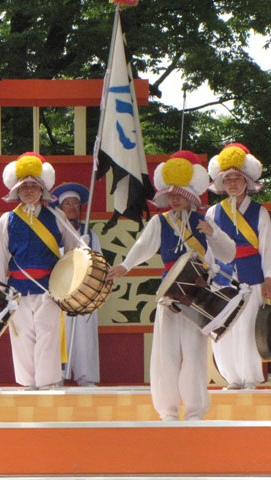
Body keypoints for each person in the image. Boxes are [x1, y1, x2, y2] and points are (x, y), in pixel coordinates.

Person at [107, 150, 235, 421]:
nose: (175, 199)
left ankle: (195, 411)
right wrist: (125, 266)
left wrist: (213, 234)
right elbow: (143, 246)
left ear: (190, 195)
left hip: (197, 295)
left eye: (180, 194)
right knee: (165, 353)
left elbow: (229, 254)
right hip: (168, 295)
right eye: (172, 195)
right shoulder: (160, 221)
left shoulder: (205, 221)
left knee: (194, 353)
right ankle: (167, 410)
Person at [0, 152, 83, 390]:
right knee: (22, 337)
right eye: (25, 186)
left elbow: (74, 251)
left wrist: (70, 283)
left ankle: (47, 383)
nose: (29, 191)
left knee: (48, 336)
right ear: (17, 190)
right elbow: (0, 259)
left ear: (42, 189)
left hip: (49, 288)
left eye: (34, 186)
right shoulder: (6, 220)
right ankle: (27, 384)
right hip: (18, 290)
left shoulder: (57, 216)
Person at [205, 143, 271, 390]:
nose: (232, 183)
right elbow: (210, 249)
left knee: (247, 328)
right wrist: (208, 275)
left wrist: (268, 278)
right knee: (223, 330)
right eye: (228, 178)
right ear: (222, 183)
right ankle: (232, 377)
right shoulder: (213, 212)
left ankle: (250, 378)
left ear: (246, 181)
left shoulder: (259, 212)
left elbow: (267, 247)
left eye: (237, 178)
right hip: (222, 278)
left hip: (252, 276)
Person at [51, 182, 100, 386]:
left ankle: (86, 377)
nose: (72, 208)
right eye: (67, 204)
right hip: (62, 289)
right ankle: (57, 376)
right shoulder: (54, 231)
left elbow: (98, 261)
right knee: (59, 334)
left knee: (85, 336)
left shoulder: (89, 233)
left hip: (85, 290)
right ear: (60, 209)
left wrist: (86, 248)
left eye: (75, 204)